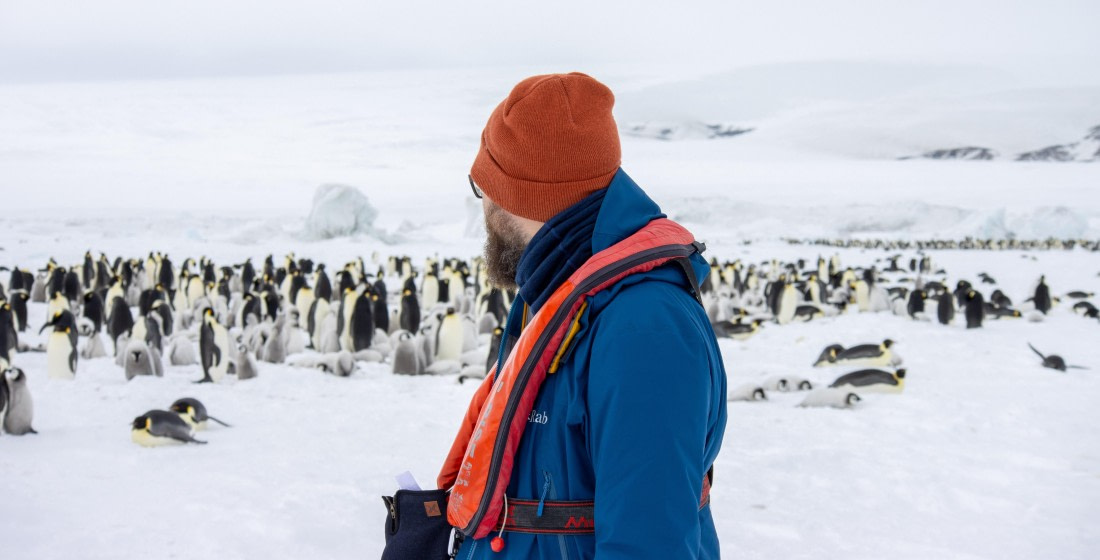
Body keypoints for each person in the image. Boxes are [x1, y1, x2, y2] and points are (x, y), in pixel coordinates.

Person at [439, 72, 727, 559]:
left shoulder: (643, 326)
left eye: (482, 186)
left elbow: (648, 544)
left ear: (520, 194)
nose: (483, 204)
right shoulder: (561, 295)